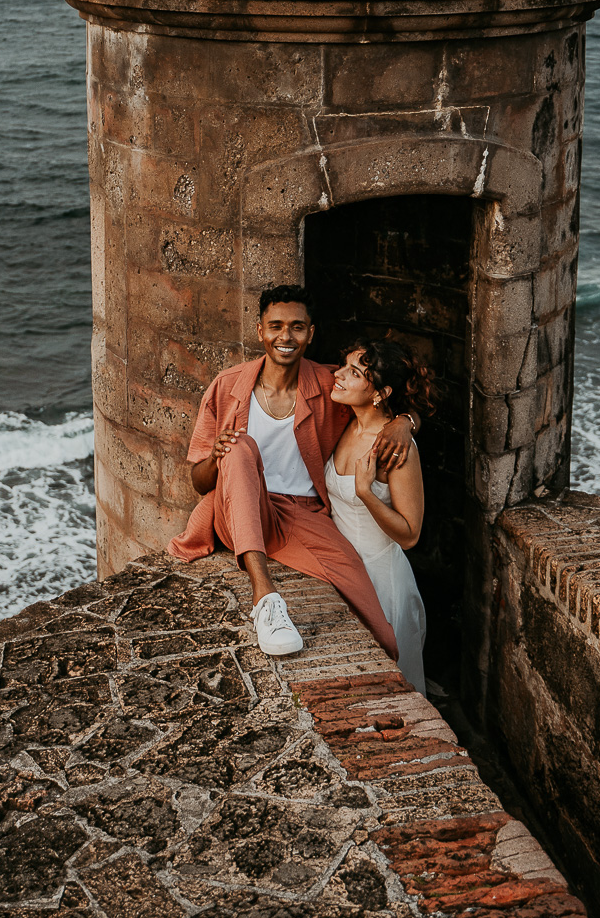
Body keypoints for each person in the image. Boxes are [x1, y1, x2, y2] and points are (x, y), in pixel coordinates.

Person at [168, 286, 421, 658]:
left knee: (374, 619)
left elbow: (378, 391)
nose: (285, 337)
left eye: (297, 327)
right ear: (260, 331)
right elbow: (198, 482)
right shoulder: (227, 387)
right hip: (240, 509)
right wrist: (216, 457)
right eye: (275, 326)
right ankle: (266, 599)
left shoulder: (329, 385)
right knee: (240, 447)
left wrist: (406, 421)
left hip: (305, 516)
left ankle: (390, 673)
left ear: (311, 333)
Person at [326, 339, 434, 694]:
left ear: (379, 392)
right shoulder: (347, 423)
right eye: (344, 366)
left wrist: (365, 494)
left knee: (388, 693)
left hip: (381, 583)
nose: (338, 375)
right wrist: (409, 418)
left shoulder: (395, 447)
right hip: (342, 574)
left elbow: (410, 534)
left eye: (354, 373)